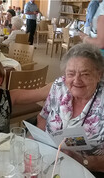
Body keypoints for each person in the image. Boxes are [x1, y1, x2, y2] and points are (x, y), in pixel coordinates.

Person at [37, 43, 104, 178]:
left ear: (99, 75)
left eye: (85, 74)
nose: (76, 80)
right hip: (51, 159)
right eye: (71, 74)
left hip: (90, 170)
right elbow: (43, 116)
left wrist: (83, 161)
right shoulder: (59, 86)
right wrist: (40, 140)